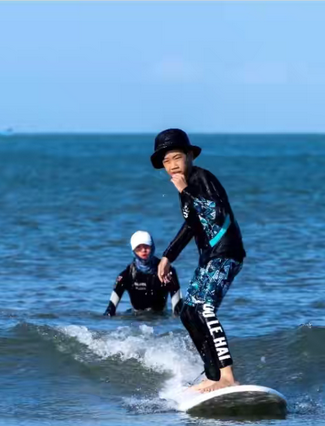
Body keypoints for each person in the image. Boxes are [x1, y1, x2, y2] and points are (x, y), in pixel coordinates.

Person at [150, 128, 246, 392]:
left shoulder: (202, 178)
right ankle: (213, 376)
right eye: (166, 161)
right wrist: (168, 256)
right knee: (188, 311)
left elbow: (216, 213)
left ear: (191, 155)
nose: (172, 166)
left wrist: (184, 191)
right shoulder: (187, 186)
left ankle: (227, 376)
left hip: (226, 252)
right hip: (209, 258)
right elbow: (192, 225)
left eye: (177, 157)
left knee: (205, 308)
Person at [104, 230, 183, 316]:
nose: (143, 250)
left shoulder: (167, 272)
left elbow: (178, 310)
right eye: (138, 247)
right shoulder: (126, 275)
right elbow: (110, 310)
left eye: (146, 246)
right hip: (135, 319)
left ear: (152, 247)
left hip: (160, 320)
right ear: (133, 250)